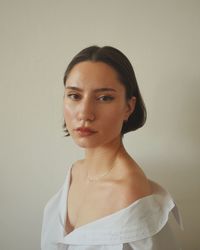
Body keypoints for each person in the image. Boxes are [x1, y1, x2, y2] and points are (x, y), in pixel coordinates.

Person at [41, 46, 182, 250]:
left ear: (129, 107)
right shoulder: (75, 172)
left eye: (104, 98)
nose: (85, 113)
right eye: (74, 95)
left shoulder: (129, 192)